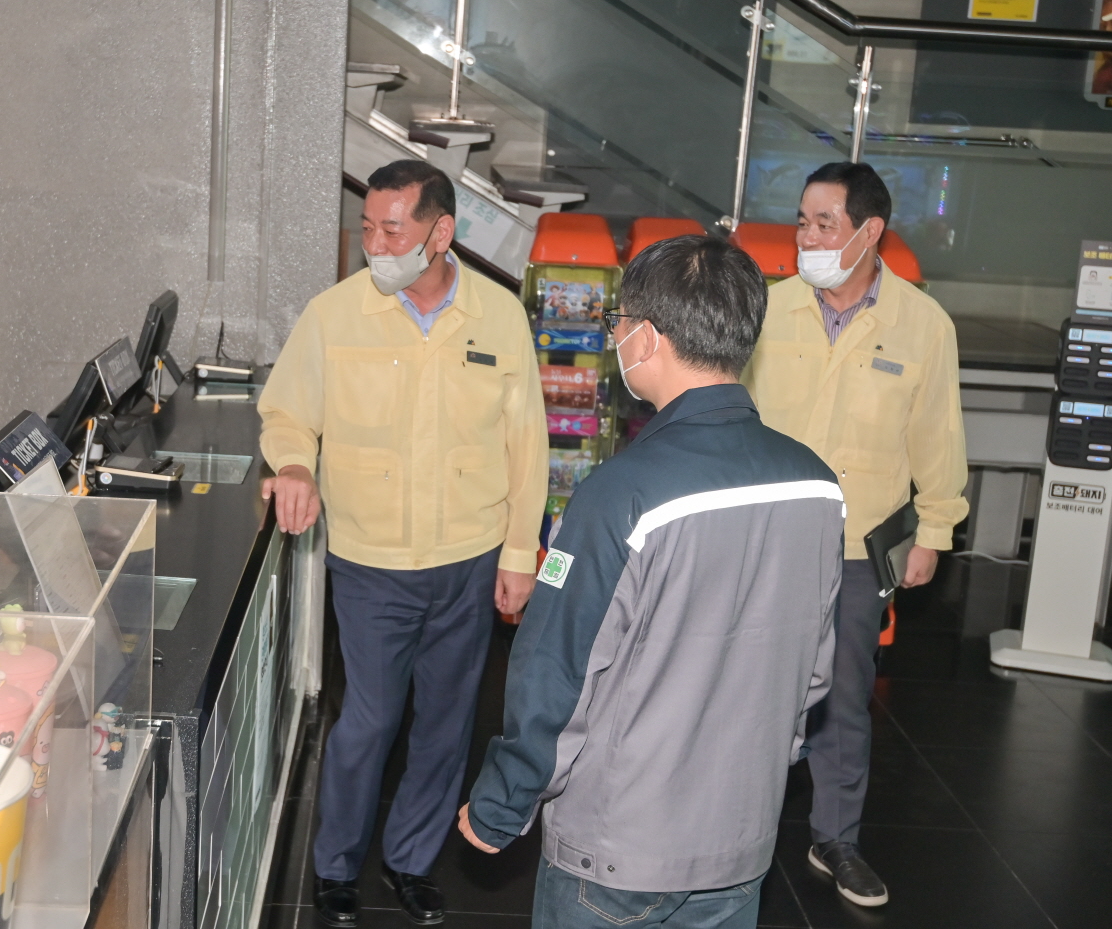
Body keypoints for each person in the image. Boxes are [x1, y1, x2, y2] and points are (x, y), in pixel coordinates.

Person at [458, 234, 842, 929]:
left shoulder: (619, 494)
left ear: (648, 336)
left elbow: (558, 672)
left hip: (617, 849)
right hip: (741, 841)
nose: (616, 337)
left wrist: (503, 801)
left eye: (620, 321)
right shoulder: (816, 484)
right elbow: (813, 671)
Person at [258, 158, 547, 927]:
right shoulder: (335, 314)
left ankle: (412, 860)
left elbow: (527, 444)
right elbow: (287, 412)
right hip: (371, 560)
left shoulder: (498, 316)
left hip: (470, 555)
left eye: (392, 230)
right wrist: (294, 463)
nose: (376, 245)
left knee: (448, 721)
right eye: (368, 228)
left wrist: (520, 552)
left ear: (440, 232)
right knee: (370, 719)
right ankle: (336, 864)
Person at [742, 162, 968, 907]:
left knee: (843, 695)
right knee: (744, 685)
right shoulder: (766, 309)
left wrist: (935, 528)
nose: (806, 237)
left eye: (824, 223)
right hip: (765, 538)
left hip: (857, 546)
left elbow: (937, 436)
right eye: (801, 221)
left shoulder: (922, 325)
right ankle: (732, 822)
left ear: (869, 232)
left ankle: (835, 837)